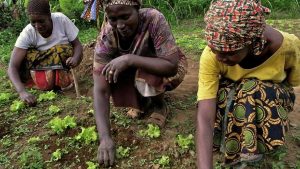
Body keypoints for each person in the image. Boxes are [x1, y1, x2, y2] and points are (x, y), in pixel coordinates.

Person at [82, 0, 187, 166]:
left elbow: (171, 65)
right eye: (113, 19)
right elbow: (100, 89)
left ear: (137, 9)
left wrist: (130, 59)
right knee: (110, 70)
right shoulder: (107, 36)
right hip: (136, 69)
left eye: (125, 16)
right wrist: (105, 138)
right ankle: (140, 102)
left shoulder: (153, 19)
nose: (120, 25)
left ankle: (160, 105)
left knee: (139, 67)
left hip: (164, 65)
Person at [196, 0, 300, 168]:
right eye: (215, 50)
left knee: (252, 90)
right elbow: (205, 114)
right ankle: (228, 138)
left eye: (229, 53)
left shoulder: (288, 46)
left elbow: (292, 83)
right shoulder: (211, 55)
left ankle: (255, 146)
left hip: (268, 99)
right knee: (224, 94)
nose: (219, 58)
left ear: (252, 42)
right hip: (230, 98)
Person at [8, 0, 83, 106]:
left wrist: (75, 58)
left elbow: (77, 45)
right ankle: (42, 83)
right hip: (43, 65)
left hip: (63, 62)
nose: (37, 26)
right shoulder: (28, 32)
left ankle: (61, 83)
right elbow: (12, 66)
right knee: (23, 57)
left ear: (49, 16)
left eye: (41, 21)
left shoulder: (61, 20)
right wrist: (22, 92)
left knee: (62, 50)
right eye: (33, 22)